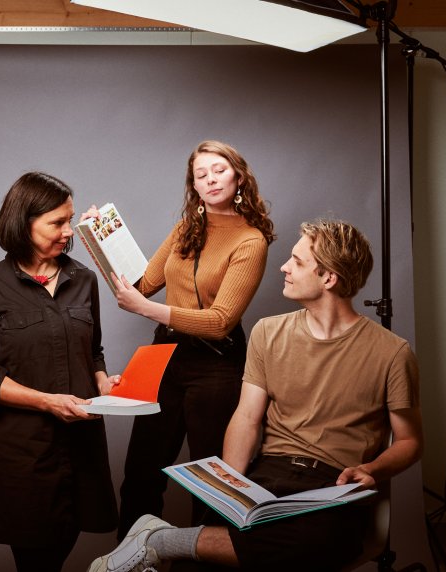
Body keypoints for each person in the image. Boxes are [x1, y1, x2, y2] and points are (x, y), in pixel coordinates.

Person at [88, 219, 424, 572]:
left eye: (296, 261)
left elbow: (409, 442)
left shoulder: (393, 352)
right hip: (268, 473)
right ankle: (174, 542)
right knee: (224, 541)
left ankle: (163, 541)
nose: (284, 266)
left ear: (328, 278)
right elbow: (246, 418)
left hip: (333, 482)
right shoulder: (268, 332)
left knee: (323, 541)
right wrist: (229, 486)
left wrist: (372, 469)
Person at [86, 140, 275, 538]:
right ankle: (131, 562)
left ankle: (200, 565)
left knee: (209, 481)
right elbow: (141, 284)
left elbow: (221, 321)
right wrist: (101, 235)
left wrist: (145, 308)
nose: (210, 179)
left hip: (216, 363)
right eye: (200, 174)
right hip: (166, 355)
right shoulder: (185, 228)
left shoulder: (250, 240)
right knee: (140, 474)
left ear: (239, 176)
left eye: (218, 170)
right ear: (194, 184)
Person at [0, 172, 119, 572]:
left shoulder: (83, 280)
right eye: (57, 222)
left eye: (70, 220)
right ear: (23, 223)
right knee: (35, 560)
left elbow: (94, 351)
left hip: (81, 446)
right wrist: (48, 403)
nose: (69, 231)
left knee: (64, 545)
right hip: (23, 455)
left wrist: (105, 382)